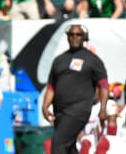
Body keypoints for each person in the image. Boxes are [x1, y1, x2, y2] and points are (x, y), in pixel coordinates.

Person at [42, 24, 109, 154]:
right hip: (60, 111)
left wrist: (103, 108)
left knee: (58, 144)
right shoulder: (59, 60)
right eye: (71, 35)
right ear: (67, 37)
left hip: (79, 109)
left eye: (78, 35)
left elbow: (104, 84)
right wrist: (45, 106)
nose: (75, 37)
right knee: (69, 146)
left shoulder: (92, 59)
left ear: (83, 37)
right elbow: (51, 86)